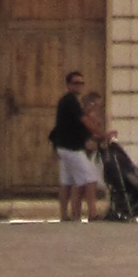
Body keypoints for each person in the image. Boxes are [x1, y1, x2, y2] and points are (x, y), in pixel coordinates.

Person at [50, 78, 99, 225]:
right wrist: (103, 135)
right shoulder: (72, 103)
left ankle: (68, 215)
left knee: (68, 181)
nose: (79, 86)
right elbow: (87, 128)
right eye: (76, 83)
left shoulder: (69, 103)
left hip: (64, 147)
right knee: (90, 179)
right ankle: (92, 213)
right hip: (72, 148)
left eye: (81, 83)